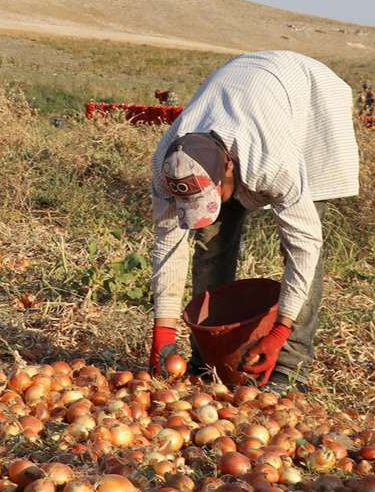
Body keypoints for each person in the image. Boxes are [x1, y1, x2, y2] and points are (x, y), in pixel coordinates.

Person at [146, 51, 359, 392]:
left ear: (228, 167)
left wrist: (280, 331)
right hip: (246, 86)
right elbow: (169, 246)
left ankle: (289, 370)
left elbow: (305, 249)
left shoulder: (274, 162)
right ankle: (207, 358)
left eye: (214, 194)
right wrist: (163, 332)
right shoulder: (167, 164)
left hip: (309, 101)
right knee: (210, 243)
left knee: (301, 244)